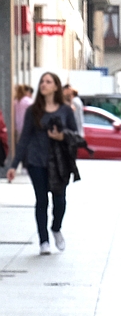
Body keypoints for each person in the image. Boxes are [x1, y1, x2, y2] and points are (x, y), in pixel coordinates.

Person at [6, 72, 78, 254]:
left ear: (56, 86)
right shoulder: (33, 111)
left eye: (48, 81)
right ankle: (43, 240)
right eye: (42, 82)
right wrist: (13, 165)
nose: (44, 84)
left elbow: (75, 135)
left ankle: (56, 228)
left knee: (60, 200)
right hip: (36, 161)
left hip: (59, 162)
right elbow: (24, 138)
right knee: (41, 200)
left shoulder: (65, 110)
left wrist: (61, 136)